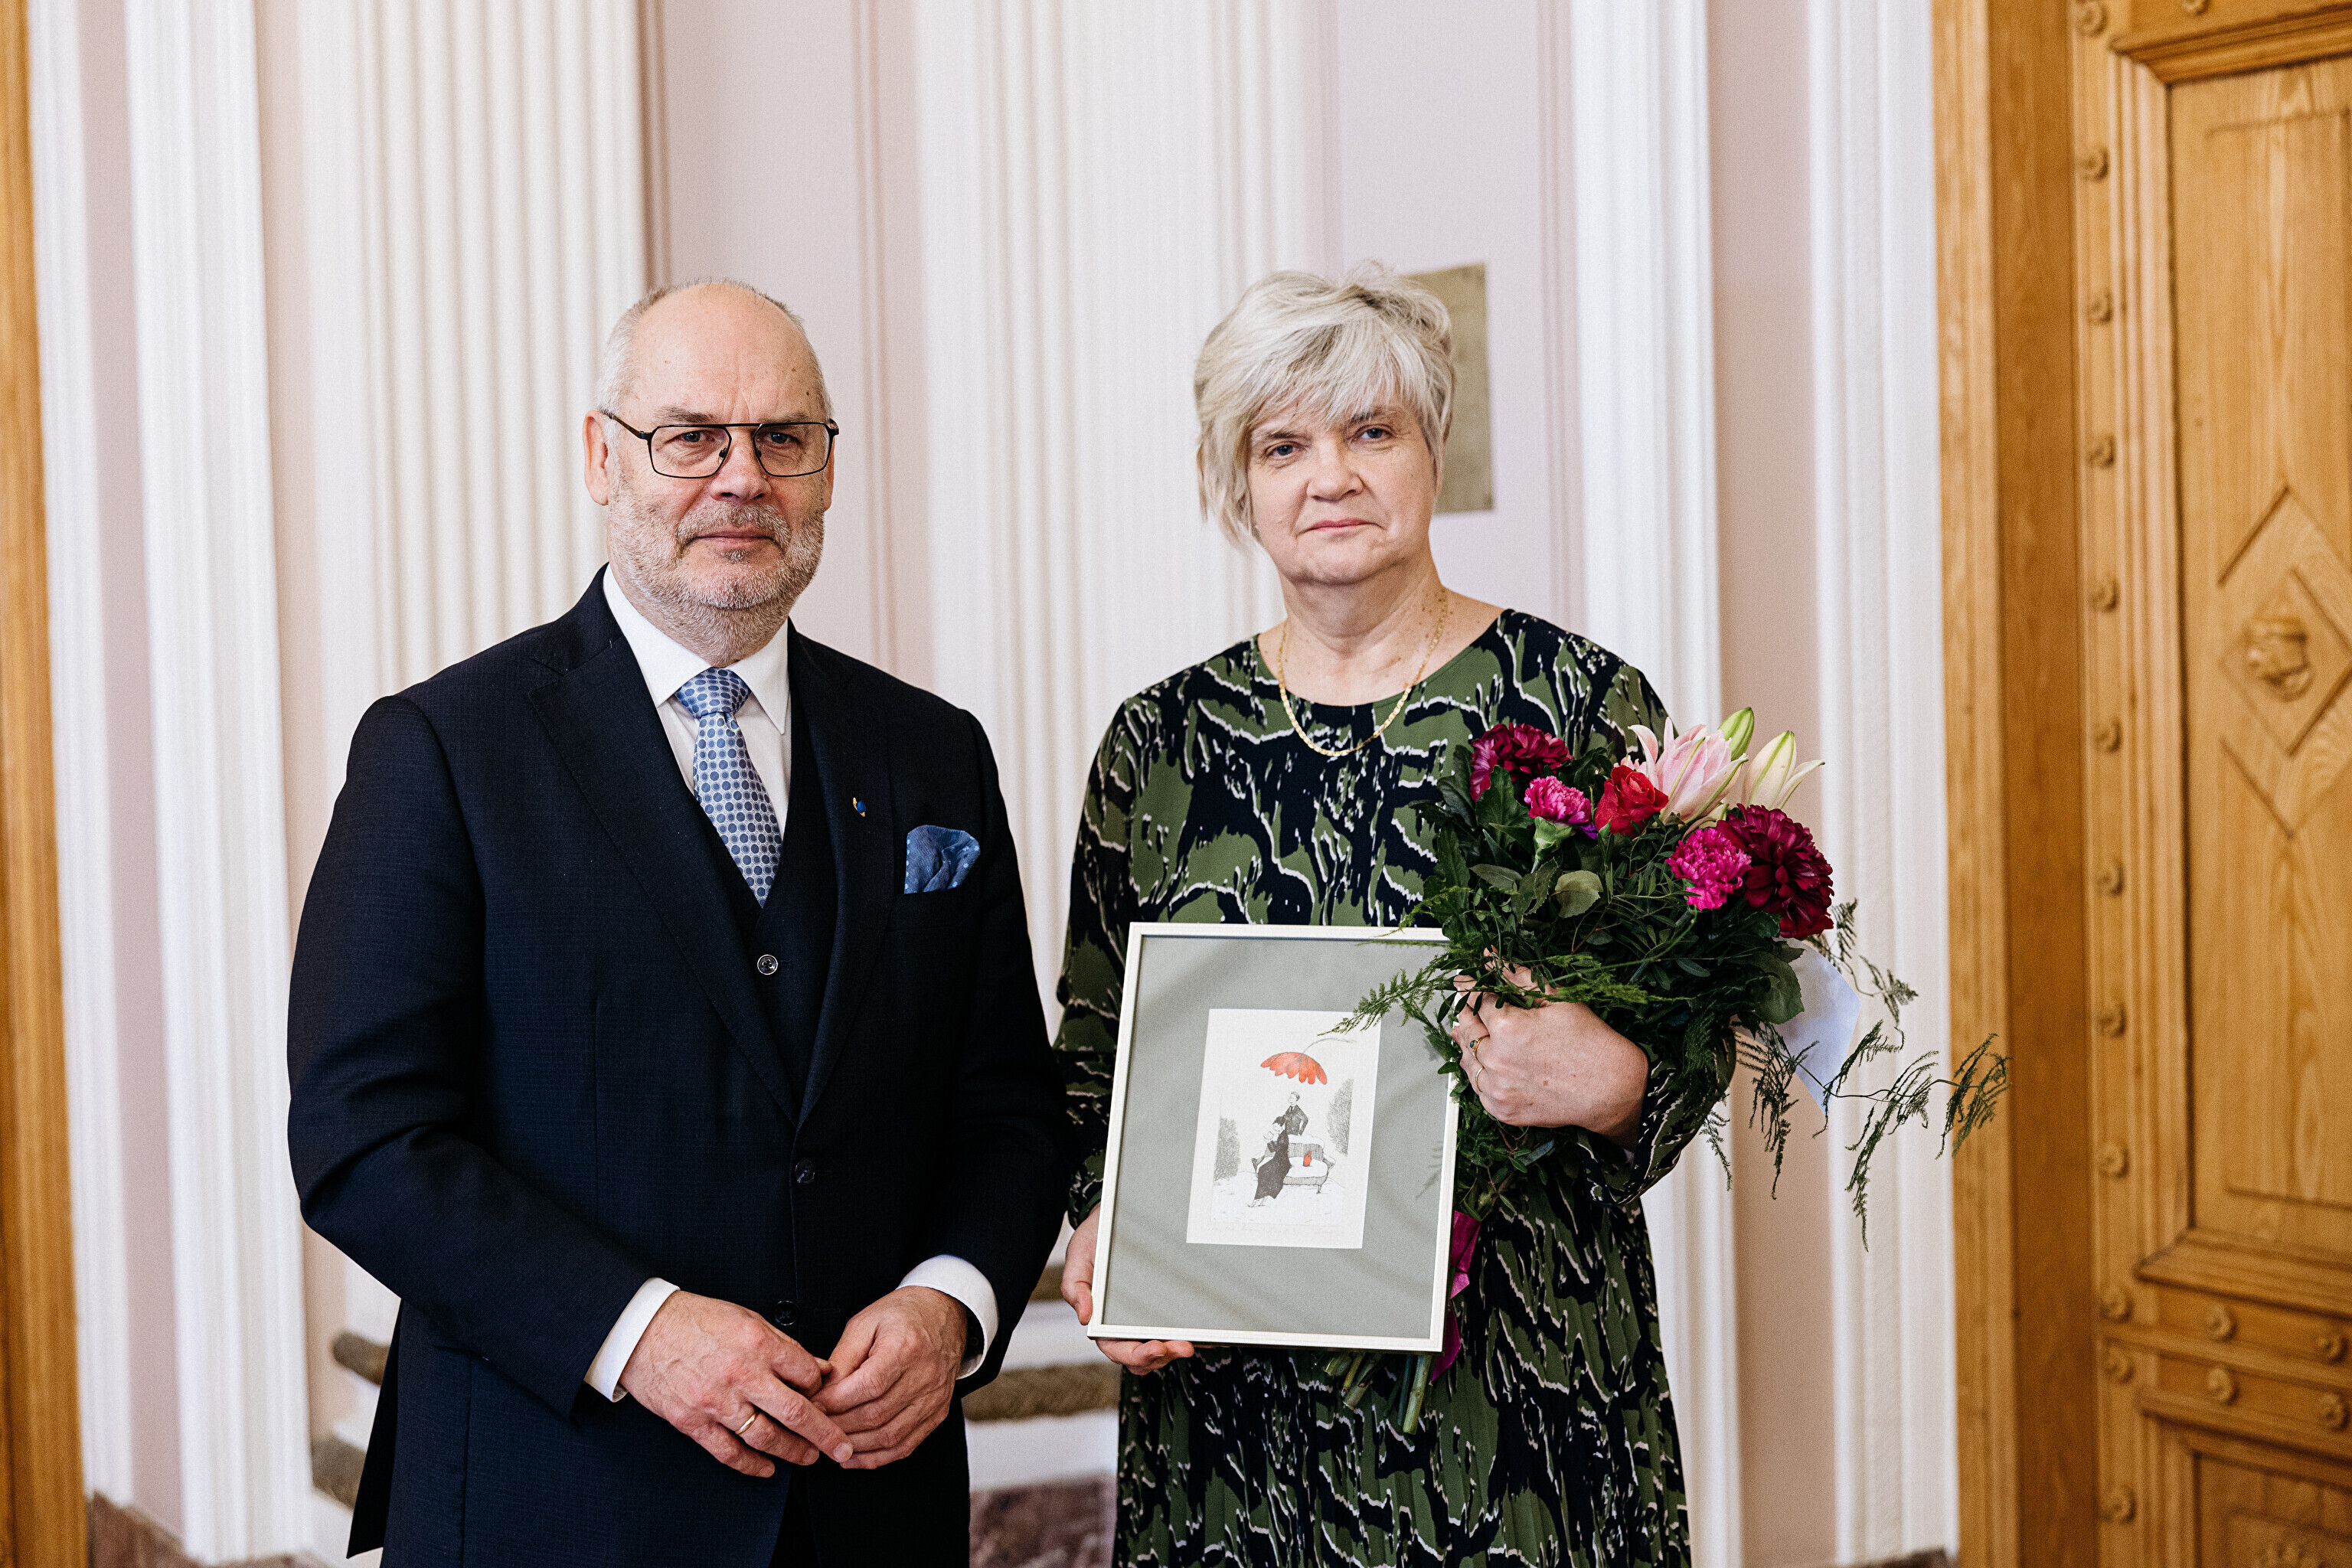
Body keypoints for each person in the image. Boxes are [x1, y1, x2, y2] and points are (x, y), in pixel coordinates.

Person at [287, 279, 1066, 1566]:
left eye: (782, 438)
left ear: (827, 470)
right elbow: (363, 1140)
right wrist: (637, 1330)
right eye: (690, 436)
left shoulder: (935, 754)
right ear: (603, 457)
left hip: (868, 1510)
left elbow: (1006, 1113)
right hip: (556, 1503)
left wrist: (953, 1304)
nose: (740, 477)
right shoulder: (443, 751)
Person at [1054, 263, 1728, 1565]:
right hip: (1236, 1408)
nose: (1333, 477)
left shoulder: (1580, 708)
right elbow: (1094, 1062)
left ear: (1433, 452)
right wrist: (1106, 1223)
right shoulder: (1160, 744)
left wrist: (1614, 1077)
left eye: (1373, 431)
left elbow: (1702, 1029)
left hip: (1518, 1392)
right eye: (1283, 445)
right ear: (1236, 480)